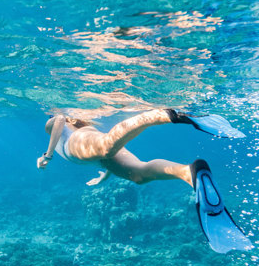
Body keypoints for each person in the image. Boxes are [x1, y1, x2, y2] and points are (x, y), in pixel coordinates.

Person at [37, 109, 253, 254]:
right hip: (89, 150)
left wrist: (47, 155)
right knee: (138, 175)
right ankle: (189, 173)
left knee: (105, 144)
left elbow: (58, 119)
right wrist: (105, 175)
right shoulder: (82, 127)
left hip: (77, 145)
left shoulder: (54, 122)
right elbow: (100, 157)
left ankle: (166, 114)